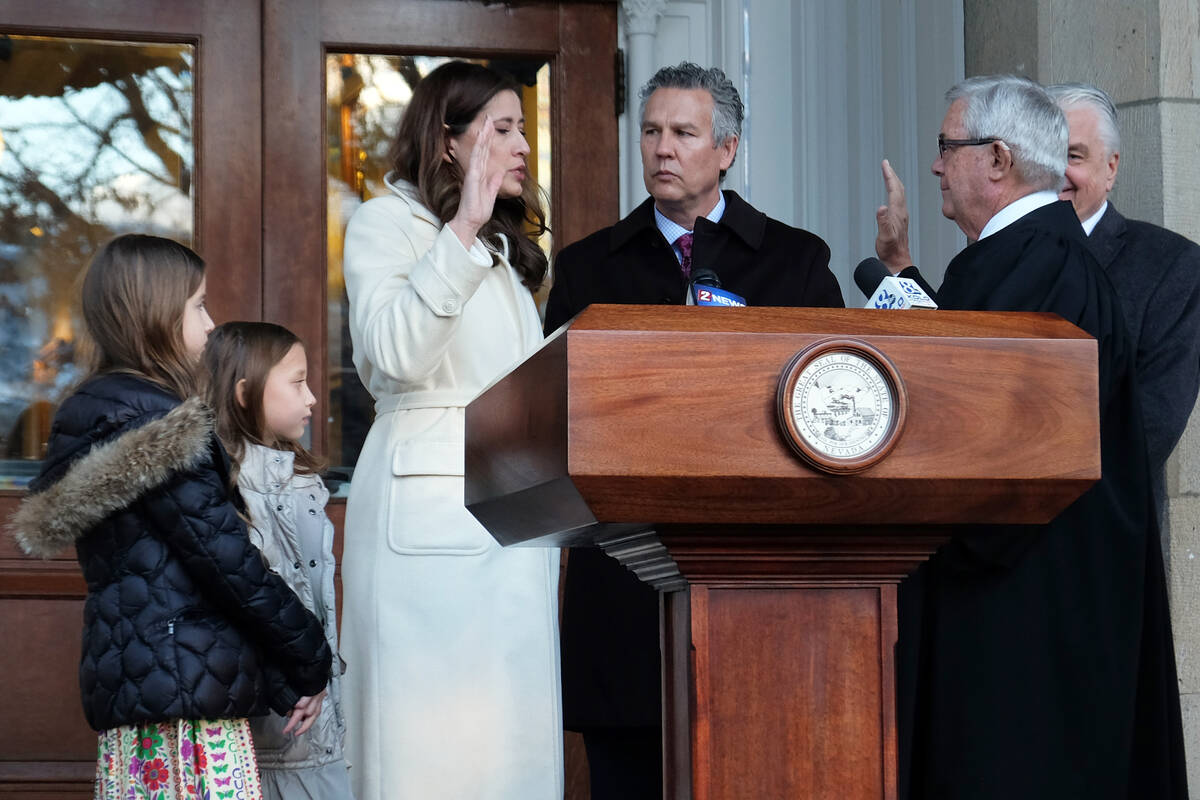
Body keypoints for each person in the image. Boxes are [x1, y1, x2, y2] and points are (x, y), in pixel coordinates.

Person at [872, 75, 1187, 799]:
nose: (935, 165)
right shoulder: (1028, 259)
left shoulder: (1037, 266)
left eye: (946, 147)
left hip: (1021, 634)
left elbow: (979, 449)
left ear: (998, 158)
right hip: (1027, 616)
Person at [544, 62, 844, 799]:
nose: (662, 149)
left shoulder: (794, 261)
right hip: (624, 584)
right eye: (651, 132)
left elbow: (834, 411)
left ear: (727, 150)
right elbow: (557, 418)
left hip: (756, 582)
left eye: (683, 132)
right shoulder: (588, 268)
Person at [8, 234, 333, 799]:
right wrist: (310, 656)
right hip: (186, 700)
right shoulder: (158, 424)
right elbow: (227, 561)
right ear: (156, 313)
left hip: (153, 683)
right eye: (199, 305)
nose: (211, 325)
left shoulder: (103, 409)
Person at [339, 61, 561, 800]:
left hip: (511, 518)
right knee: (424, 759)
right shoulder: (385, 224)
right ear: (447, 143)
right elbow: (395, 357)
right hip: (427, 533)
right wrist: (462, 227)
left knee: (509, 761)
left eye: (523, 128)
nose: (523, 145)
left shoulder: (499, 250)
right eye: (503, 129)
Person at [203, 321, 354, 800]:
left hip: (314, 719)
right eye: (297, 382)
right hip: (274, 725)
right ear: (245, 393)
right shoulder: (227, 489)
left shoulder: (298, 481)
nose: (312, 398)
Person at [1046, 81, 1200, 517]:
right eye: (1046, 154)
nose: (1057, 171)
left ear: (1111, 168)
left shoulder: (1171, 265)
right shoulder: (1000, 254)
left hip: (1106, 538)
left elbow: (1153, 425)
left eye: (1073, 156)